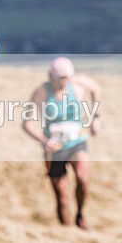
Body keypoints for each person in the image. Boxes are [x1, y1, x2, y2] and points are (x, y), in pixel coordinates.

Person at [22, 57, 101, 230]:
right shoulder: (42, 92)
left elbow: (95, 88)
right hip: (55, 149)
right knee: (61, 197)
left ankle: (80, 214)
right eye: (60, 80)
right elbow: (26, 124)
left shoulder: (78, 85)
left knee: (83, 179)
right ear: (51, 76)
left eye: (67, 79)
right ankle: (67, 233)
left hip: (77, 142)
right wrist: (44, 141)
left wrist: (95, 118)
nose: (64, 83)